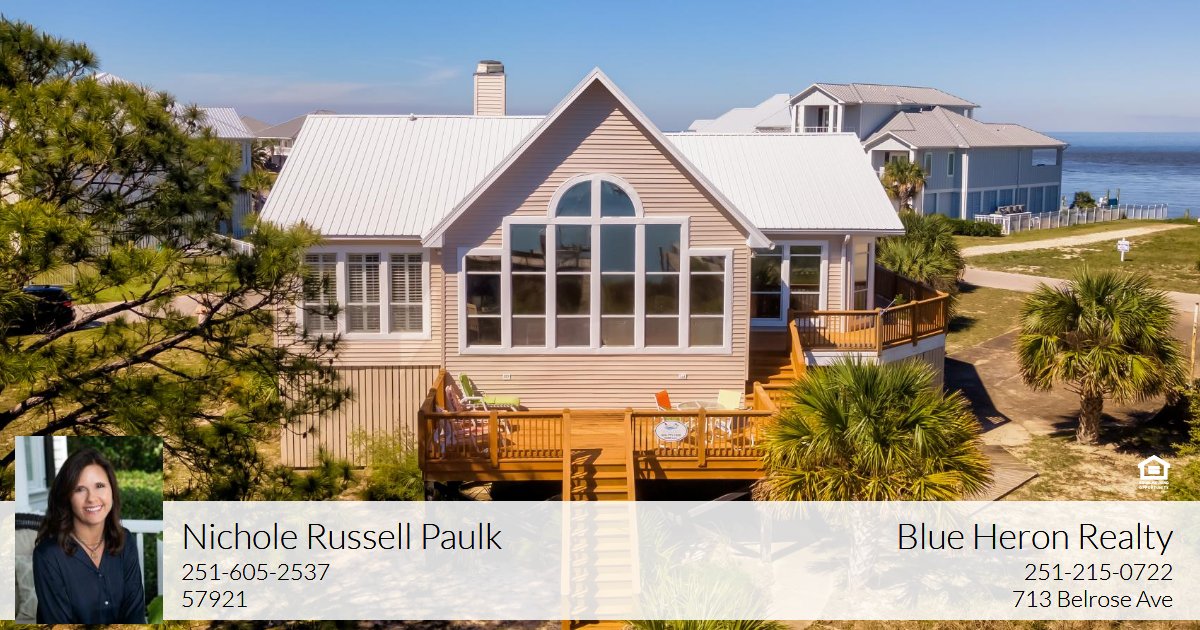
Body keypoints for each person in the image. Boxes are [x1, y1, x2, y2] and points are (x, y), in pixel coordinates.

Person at [32, 448, 146, 624]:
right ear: (67, 497)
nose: (92, 498)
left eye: (99, 486)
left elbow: (135, 615)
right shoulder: (48, 556)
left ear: (112, 490)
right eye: (79, 489)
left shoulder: (125, 541)